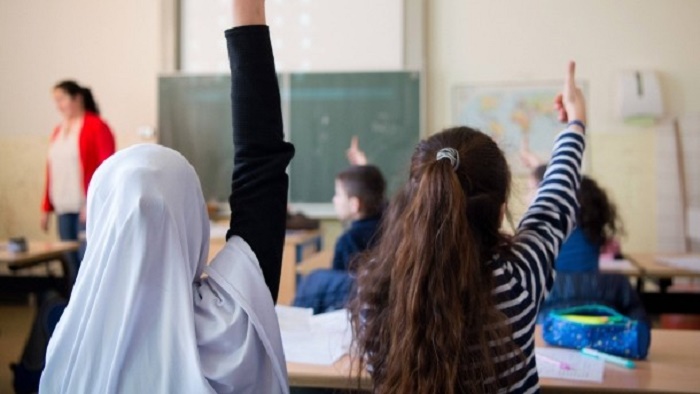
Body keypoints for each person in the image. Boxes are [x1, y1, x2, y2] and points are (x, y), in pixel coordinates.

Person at [40, 1, 293, 392]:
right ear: (191, 217)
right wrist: (248, 16)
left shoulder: (67, 345)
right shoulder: (230, 329)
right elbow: (261, 164)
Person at [349, 62, 587, 393]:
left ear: (415, 207)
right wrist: (575, 124)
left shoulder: (374, 290)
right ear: (501, 211)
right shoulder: (517, 279)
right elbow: (552, 205)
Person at [292, 138, 385, 314]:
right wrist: (365, 170)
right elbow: (383, 202)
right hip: (381, 306)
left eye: (338, 195)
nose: (334, 200)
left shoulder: (347, 240)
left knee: (315, 281)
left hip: (354, 310)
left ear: (354, 204)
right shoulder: (390, 224)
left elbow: (339, 291)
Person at [41, 80, 115, 266]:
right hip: (63, 205)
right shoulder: (58, 130)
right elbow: (52, 170)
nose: (58, 105)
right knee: (69, 259)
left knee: (86, 259)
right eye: (55, 100)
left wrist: (92, 202)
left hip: (86, 207)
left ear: (77, 98)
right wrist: (46, 207)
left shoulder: (97, 126)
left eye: (62, 99)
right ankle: (70, 296)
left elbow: (107, 168)